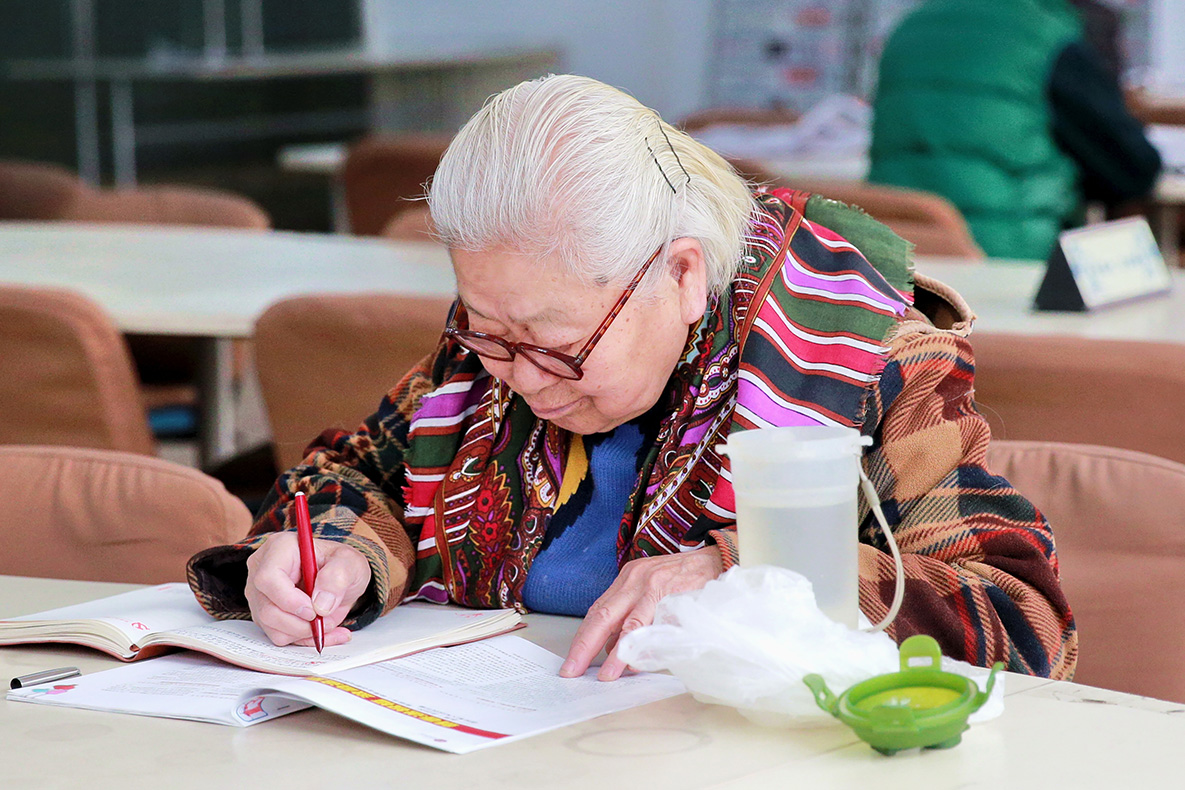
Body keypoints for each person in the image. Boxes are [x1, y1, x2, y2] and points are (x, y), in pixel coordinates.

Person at [188, 74, 1077, 681]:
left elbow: (1021, 621)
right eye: (485, 332)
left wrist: (741, 572)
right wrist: (336, 553)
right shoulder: (498, 347)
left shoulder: (863, 362)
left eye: (557, 346)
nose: (521, 379)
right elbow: (351, 476)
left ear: (681, 275)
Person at [869, 0, 1162, 261]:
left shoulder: (909, 28)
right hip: (1008, 261)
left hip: (895, 260)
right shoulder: (1045, 35)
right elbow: (1133, 170)